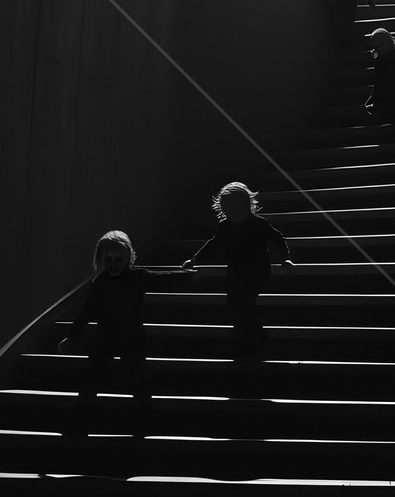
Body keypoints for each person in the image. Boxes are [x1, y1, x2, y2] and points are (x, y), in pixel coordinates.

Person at [58, 230, 190, 451]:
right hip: (105, 336)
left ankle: (142, 426)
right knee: (91, 380)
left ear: (129, 258)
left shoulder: (138, 277)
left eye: (118, 259)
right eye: (108, 260)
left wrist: (185, 274)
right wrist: (72, 336)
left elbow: (163, 279)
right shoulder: (99, 283)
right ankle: (79, 427)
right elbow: (87, 311)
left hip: (132, 336)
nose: (113, 264)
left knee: (138, 380)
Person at [182, 183, 294, 361]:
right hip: (236, 271)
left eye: (237, 210)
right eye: (228, 211)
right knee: (235, 307)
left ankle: (257, 340)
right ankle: (246, 341)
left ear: (247, 207)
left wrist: (285, 258)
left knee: (244, 306)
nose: (232, 215)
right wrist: (195, 259)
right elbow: (214, 244)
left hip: (257, 270)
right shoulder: (225, 226)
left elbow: (277, 238)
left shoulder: (259, 223)